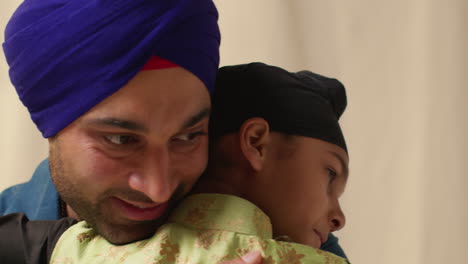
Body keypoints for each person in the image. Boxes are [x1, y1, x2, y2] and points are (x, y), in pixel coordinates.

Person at [0, 0, 347, 261]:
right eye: (122, 140)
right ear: (49, 124)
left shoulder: (282, 235)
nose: (159, 189)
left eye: (188, 136)